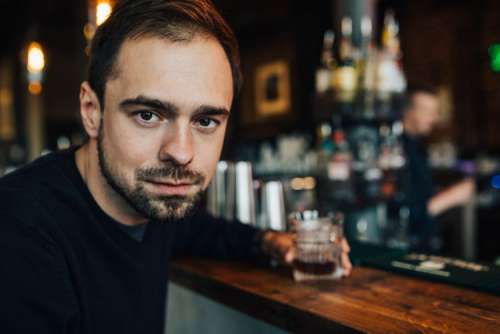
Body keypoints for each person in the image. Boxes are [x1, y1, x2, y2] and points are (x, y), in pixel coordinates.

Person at [0, 1, 351, 333]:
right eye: (148, 115)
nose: (181, 153)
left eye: (206, 121)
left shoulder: (154, 202)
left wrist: (268, 242)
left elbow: (199, 230)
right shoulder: (20, 233)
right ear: (92, 111)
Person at [401, 84, 475, 252]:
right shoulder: (396, 151)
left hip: (426, 243)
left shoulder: (418, 146)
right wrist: (450, 197)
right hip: (407, 249)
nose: (433, 118)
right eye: (427, 111)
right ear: (408, 111)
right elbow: (401, 214)